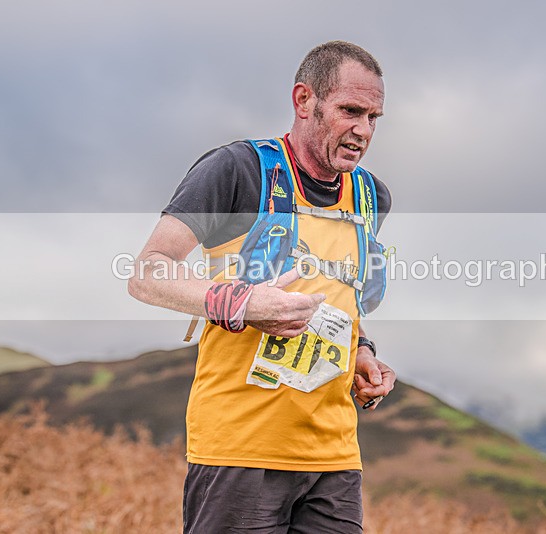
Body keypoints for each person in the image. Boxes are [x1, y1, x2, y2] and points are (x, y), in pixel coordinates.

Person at [128, 40, 395, 533]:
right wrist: (241, 301)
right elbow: (147, 273)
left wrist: (361, 351)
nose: (363, 130)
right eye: (350, 111)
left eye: (374, 117)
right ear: (304, 100)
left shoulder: (370, 196)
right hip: (239, 450)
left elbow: (339, 295)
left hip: (334, 456)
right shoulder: (238, 170)